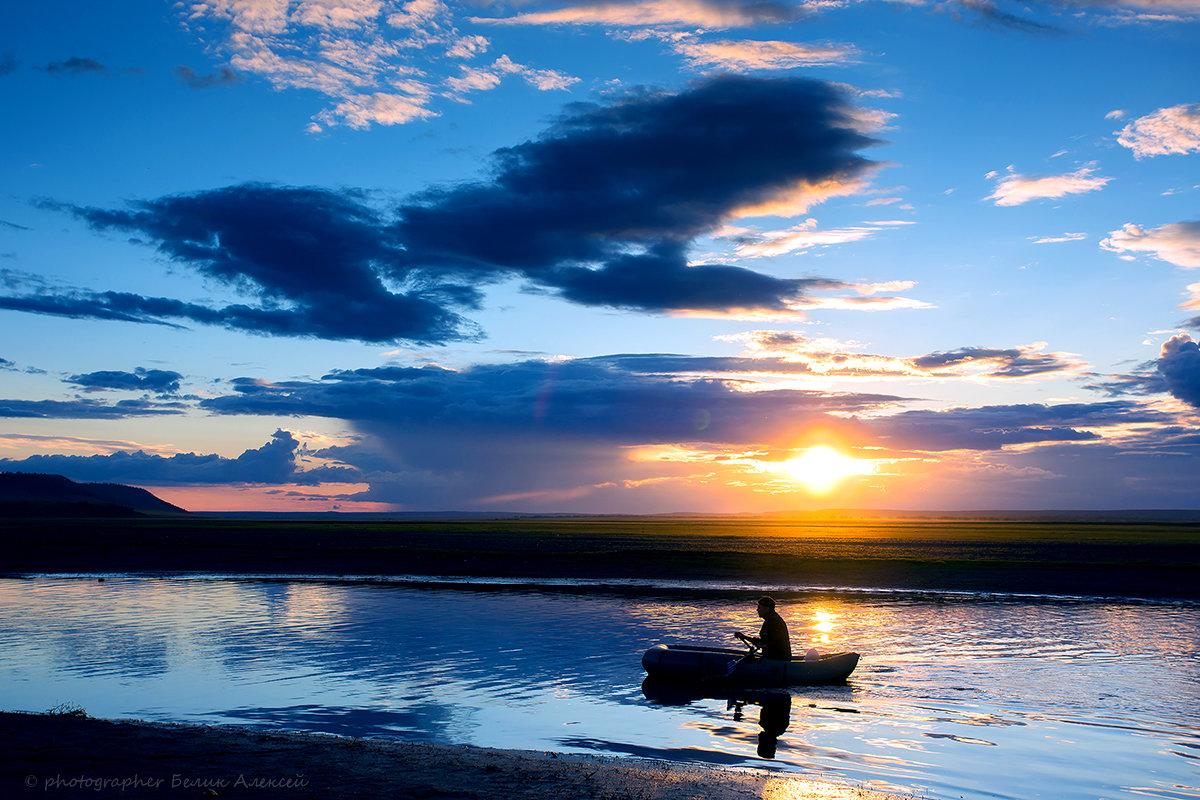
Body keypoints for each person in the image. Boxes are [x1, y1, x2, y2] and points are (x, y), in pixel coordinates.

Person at [735, 596, 792, 661]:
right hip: (772, 658)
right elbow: (764, 642)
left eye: (759, 607)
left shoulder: (774, 621)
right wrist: (743, 637)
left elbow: (771, 644)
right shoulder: (770, 620)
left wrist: (762, 645)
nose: (757, 610)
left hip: (778, 661)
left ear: (767, 608)